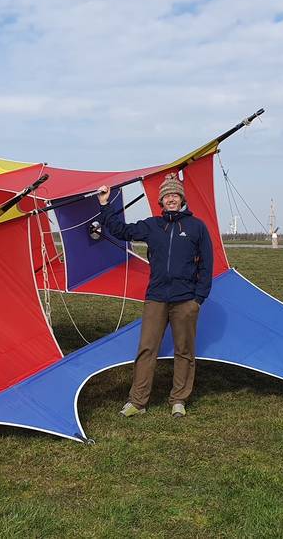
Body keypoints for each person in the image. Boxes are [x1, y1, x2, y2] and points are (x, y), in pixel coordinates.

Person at [97, 173, 213, 418]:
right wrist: (105, 205)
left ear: (181, 199)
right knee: (147, 348)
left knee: (184, 351)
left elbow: (206, 265)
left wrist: (198, 299)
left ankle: (178, 399)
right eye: (167, 196)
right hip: (157, 297)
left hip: (186, 300)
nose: (171, 199)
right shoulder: (152, 226)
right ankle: (137, 402)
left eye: (175, 195)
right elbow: (121, 230)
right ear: (161, 201)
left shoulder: (196, 227)